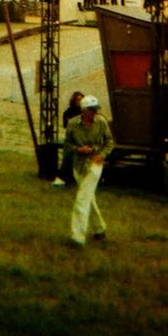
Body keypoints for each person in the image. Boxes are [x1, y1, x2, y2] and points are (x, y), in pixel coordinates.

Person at [64, 95, 114, 246]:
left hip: (95, 165)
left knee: (82, 200)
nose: (95, 113)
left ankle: (77, 237)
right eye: (92, 110)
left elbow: (109, 142)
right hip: (78, 165)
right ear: (84, 110)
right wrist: (78, 149)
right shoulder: (72, 124)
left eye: (96, 109)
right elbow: (67, 145)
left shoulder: (101, 122)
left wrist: (102, 155)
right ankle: (99, 230)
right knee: (89, 199)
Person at [52, 91, 85, 186]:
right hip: (72, 138)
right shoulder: (68, 112)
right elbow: (67, 127)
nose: (80, 101)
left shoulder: (86, 112)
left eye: (81, 99)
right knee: (69, 153)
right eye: (78, 100)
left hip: (84, 138)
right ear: (73, 101)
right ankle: (65, 176)